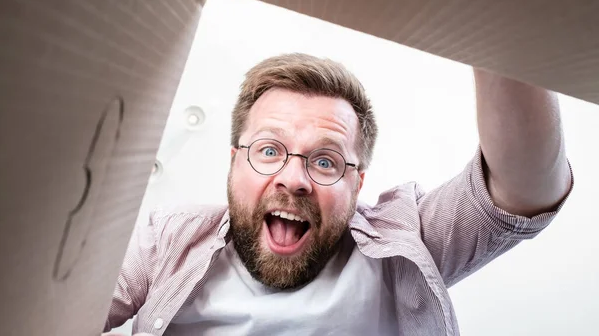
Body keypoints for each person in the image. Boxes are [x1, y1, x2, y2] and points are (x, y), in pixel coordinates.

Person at [103, 53, 573, 336]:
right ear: (234, 161)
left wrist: (491, 22)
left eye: (325, 161)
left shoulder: (408, 240)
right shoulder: (166, 241)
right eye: (269, 150)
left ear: (357, 184)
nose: (294, 179)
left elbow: (526, 185)